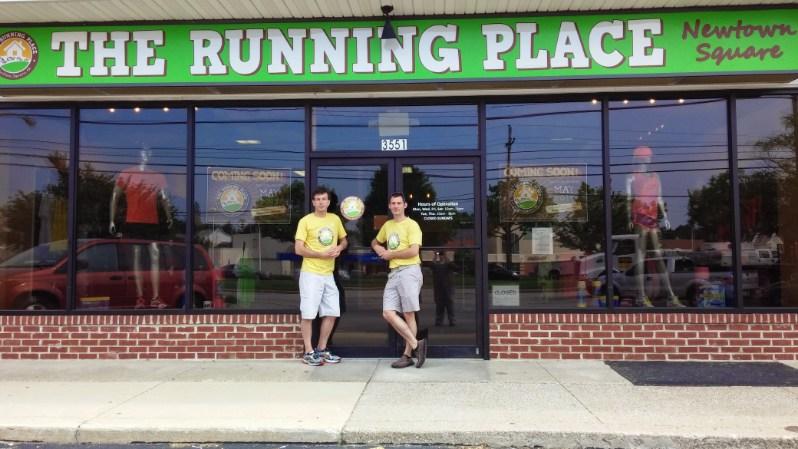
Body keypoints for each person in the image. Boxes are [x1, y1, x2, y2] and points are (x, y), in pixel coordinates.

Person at [109, 148, 173, 309]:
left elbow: (164, 198)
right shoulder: (127, 173)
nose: (145, 155)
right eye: (143, 152)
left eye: (149, 152)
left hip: (152, 222)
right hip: (133, 221)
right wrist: (112, 219)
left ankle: (155, 297)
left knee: (155, 257)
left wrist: (169, 216)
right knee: (137, 259)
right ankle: (140, 297)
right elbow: (115, 196)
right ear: (137, 155)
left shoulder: (158, 176)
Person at [371, 192, 427, 369]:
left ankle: (407, 354)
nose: (395, 206)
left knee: (409, 313)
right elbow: (374, 241)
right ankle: (417, 345)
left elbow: (413, 251)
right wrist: (378, 248)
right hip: (394, 273)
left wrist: (390, 254)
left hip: (409, 271)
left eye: (398, 203)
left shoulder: (412, 225)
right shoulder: (387, 225)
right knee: (388, 312)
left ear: (404, 206)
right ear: (389, 206)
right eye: (393, 203)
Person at [625, 145, 685, 308]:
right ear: (640, 158)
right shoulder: (632, 177)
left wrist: (664, 216)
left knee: (658, 256)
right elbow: (628, 199)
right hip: (639, 218)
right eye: (647, 156)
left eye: (649, 156)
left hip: (652, 219)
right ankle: (641, 297)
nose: (650, 158)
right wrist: (629, 218)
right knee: (640, 257)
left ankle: (671, 297)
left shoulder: (655, 176)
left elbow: (659, 198)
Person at [294, 186, 348, 366]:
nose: (321, 202)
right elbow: (298, 248)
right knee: (308, 314)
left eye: (324, 199)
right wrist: (320, 255)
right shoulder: (305, 221)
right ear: (313, 202)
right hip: (311, 273)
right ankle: (308, 352)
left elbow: (344, 240)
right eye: (317, 199)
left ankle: (321, 349)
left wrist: (339, 248)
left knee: (332, 312)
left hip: (328, 274)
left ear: (329, 202)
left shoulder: (335, 219)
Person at [432, 251, 455, 326]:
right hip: (439, 289)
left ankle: (452, 321)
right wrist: (435, 256)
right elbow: (432, 264)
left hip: (447, 288)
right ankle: (439, 321)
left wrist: (446, 257)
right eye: (440, 255)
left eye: (442, 255)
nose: (441, 257)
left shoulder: (448, 265)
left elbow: (454, 266)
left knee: (450, 306)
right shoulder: (436, 265)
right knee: (439, 306)